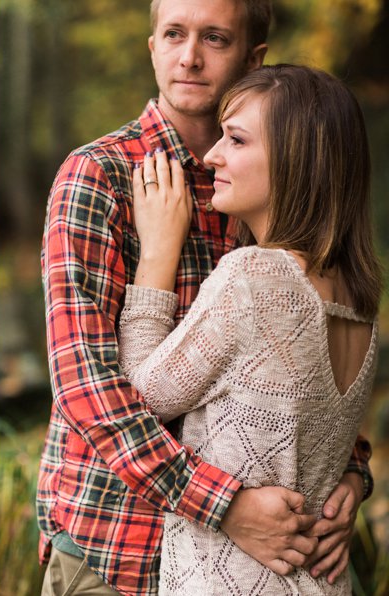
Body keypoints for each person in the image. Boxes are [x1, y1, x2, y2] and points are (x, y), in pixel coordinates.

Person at [36, 0, 372, 593]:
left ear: (253, 58)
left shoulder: (260, 187)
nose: (188, 57)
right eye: (173, 34)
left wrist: (346, 472)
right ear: (152, 47)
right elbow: (85, 383)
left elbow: (296, 377)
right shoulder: (99, 175)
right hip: (116, 545)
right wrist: (226, 505)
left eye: (215, 37)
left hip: (258, 561)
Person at [119, 64, 380, 595]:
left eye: (235, 140)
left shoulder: (254, 277)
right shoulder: (360, 300)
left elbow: (139, 400)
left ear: (296, 161)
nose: (213, 154)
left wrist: (158, 255)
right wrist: (359, 478)